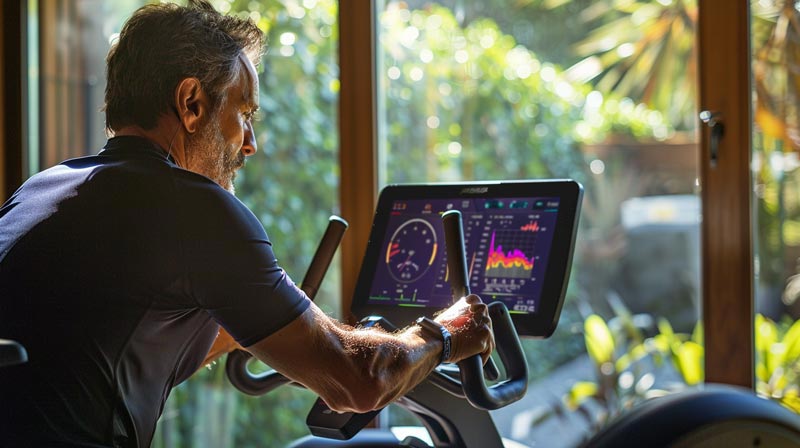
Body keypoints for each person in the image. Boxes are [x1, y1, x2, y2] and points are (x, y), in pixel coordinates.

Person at [0, 1, 494, 447]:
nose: (250, 142)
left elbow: (104, 350)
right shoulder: (194, 207)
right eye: (244, 112)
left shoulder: (44, 188)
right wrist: (446, 333)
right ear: (191, 103)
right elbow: (360, 379)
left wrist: (260, 324)